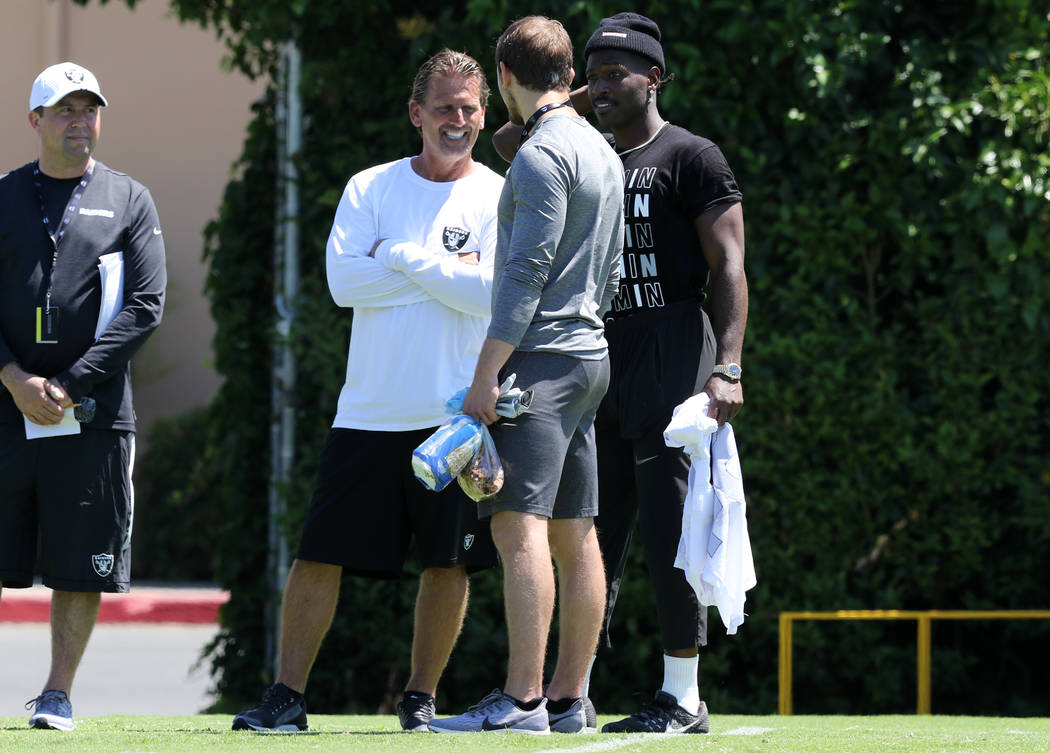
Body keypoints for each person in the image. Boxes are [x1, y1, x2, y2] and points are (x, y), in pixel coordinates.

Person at [231, 49, 503, 733]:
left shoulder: (500, 195)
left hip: (453, 418)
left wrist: (396, 254)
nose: (459, 120)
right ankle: (287, 696)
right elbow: (343, 285)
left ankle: (420, 698)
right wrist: (447, 270)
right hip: (368, 414)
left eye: (470, 107)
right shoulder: (370, 188)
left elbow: (492, 294)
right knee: (318, 553)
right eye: (445, 107)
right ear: (417, 113)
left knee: (448, 565)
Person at [428, 17, 624, 735]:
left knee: (520, 533)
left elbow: (524, 275)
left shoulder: (542, 156)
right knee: (577, 534)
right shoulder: (601, 150)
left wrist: (487, 375)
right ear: (568, 73)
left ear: (504, 77)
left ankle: (522, 700)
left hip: (540, 362)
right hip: (589, 358)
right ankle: (570, 700)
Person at [584, 13, 748, 734]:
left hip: (674, 341)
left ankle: (681, 695)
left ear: (655, 76)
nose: (601, 87)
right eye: (591, 75)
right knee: (589, 527)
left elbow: (731, 267)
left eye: (617, 73)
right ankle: (569, 692)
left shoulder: (692, 155)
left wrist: (728, 366)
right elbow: (508, 141)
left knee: (670, 523)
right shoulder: (589, 158)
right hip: (604, 349)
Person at [0, 62, 167, 731]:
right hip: (7, 411)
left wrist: (68, 385)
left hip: (91, 415)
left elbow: (147, 306)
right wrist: (14, 379)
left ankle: (57, 693)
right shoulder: (6, 196)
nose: (79, 120)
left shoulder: (130, 199)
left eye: (88, 108)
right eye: (64, 110)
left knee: (81, 562)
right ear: (35, 120)